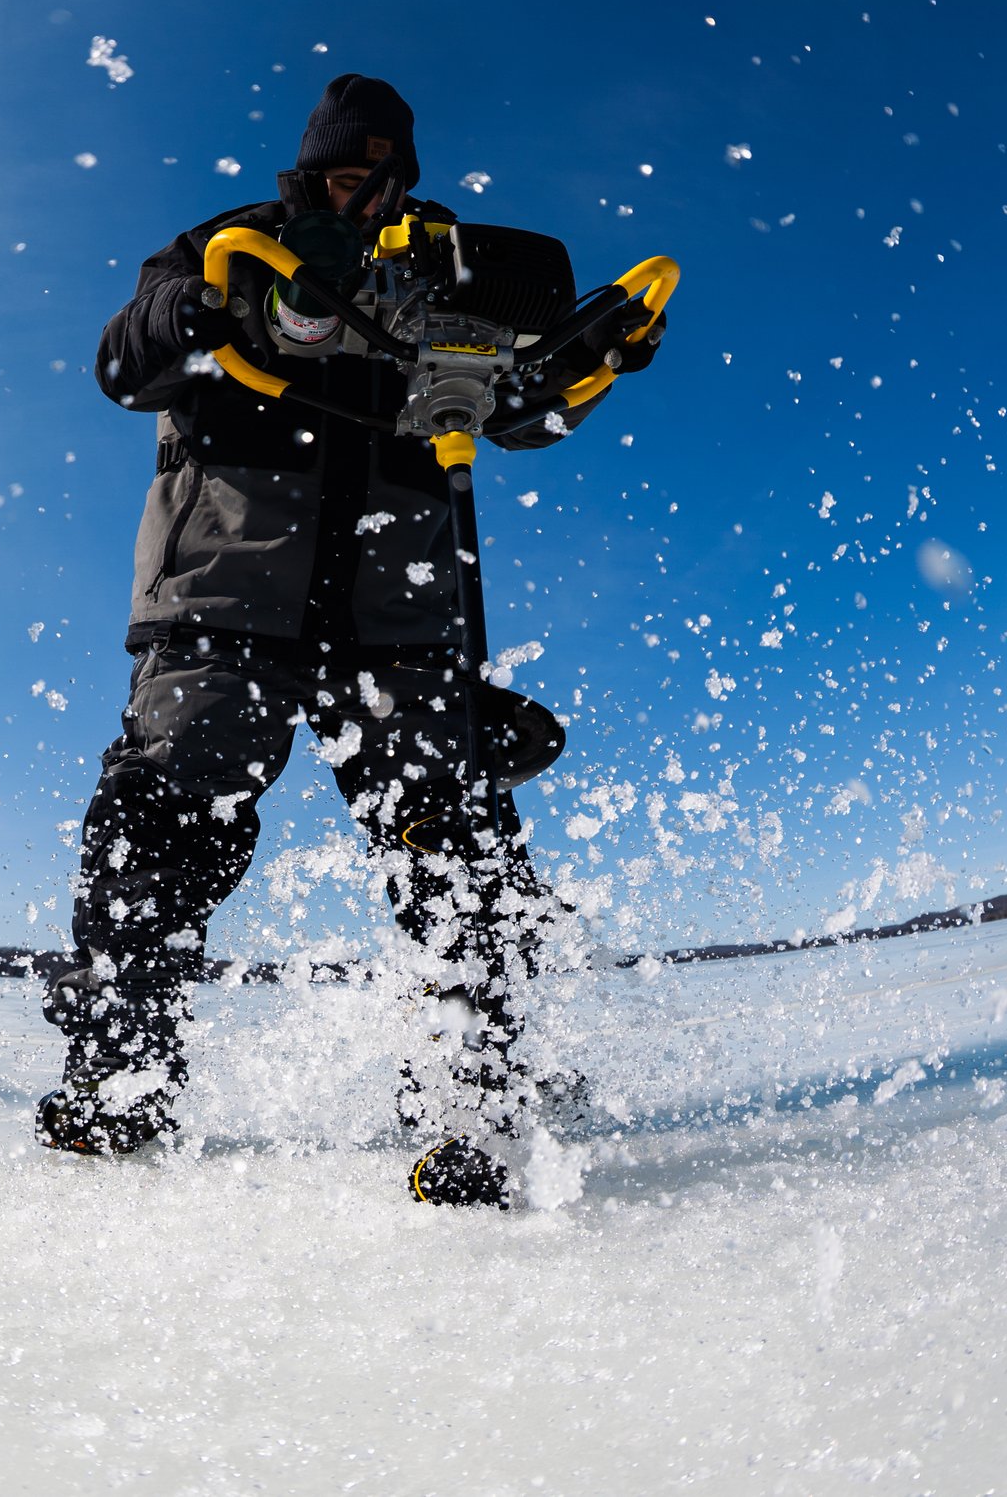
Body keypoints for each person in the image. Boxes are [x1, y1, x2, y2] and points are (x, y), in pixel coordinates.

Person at [36, 75, 664, 1205]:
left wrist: (593, 363)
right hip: (226, 589)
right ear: (308, 169)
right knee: (166, 811)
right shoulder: (227, 246)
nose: (365, 193)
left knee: (455, 836)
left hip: (400, 607)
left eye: (384, 176)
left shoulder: (445, 267)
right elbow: (123, 365)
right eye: (343, 173)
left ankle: (476, 1091)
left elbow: (520, 414)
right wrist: (197, 313)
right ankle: (118, 1075)